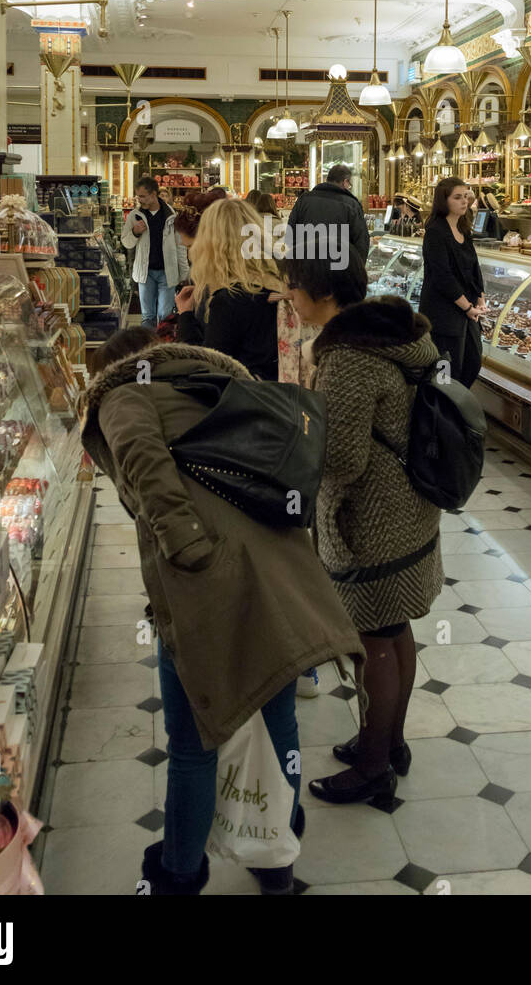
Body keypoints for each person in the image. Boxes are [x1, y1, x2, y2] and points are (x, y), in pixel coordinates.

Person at [82, 325, 366, 895]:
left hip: (205, 582)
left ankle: (178, 874)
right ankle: (276, 862)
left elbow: (142, 461)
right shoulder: (213, 381)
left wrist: (187, 547)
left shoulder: (122, 395)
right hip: (279, 571)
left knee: (192, 744)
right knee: (279, 721)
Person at [286, 257, 444, 805]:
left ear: (319, 293)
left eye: (293, 287)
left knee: (371, 639)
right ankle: (389, 740)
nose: (288, 297)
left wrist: (297, 443)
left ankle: (375, 765)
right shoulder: (397, 337)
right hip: (412, 507)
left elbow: (343, 458)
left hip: (372, 518)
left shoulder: (348, 357)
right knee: (394, 628)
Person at [175, 198, 283, 379]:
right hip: (278, 395)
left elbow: (207, 371)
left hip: (245, 400)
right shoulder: (280, 283)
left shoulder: (229, 300)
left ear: (211, 245)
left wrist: (185, 316)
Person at [418, 177, 487, 387]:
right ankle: (442, 414)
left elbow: (474, 266)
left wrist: (480, 298)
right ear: (444, 201)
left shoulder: (464, 229)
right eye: (457, 197)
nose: (464, 202)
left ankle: (456, 410)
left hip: (467, 313)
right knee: (446, 372)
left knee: (471, 363)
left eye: (465, 196)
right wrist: (466, 306)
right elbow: (442, 276)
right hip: (443, 315)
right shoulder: (435, 232)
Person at [121, 176, 188, 328]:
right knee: (147, 316)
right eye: (138, 196)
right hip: (145, 273)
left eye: (143, 196)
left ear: (153, 194)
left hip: (167, 272)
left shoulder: (171, 216)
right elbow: (126, 242)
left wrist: (184, 274)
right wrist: (135, 232)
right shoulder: (135, 216)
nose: (140, 199)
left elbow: (180, 246)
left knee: (165, 315)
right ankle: (149, 348)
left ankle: (163, 346)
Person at [287, 163, 369, 266]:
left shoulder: (304, 200)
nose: (349, 187)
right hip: (338, 271)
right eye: (349, 185)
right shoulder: (351, 205)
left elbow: (290, 233)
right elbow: (361, 243)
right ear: (345, 182)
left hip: (306, 270)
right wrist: (357, 273)